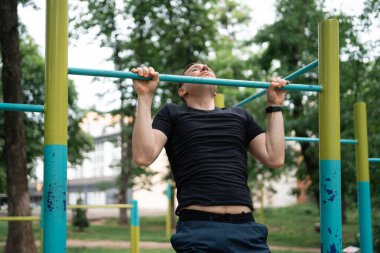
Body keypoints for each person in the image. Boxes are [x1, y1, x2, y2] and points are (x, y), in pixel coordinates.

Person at [131, 63, 287, 253]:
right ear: (183, 90)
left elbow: (274, 157)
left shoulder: (239, 116)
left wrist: (274, 106)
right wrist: (145, 96)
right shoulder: (173, 113)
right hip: (198, 229)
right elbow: (143, 156)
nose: (203, 66)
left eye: (207, 68)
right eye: (194, 69)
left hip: (245, 229)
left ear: (216, 90)